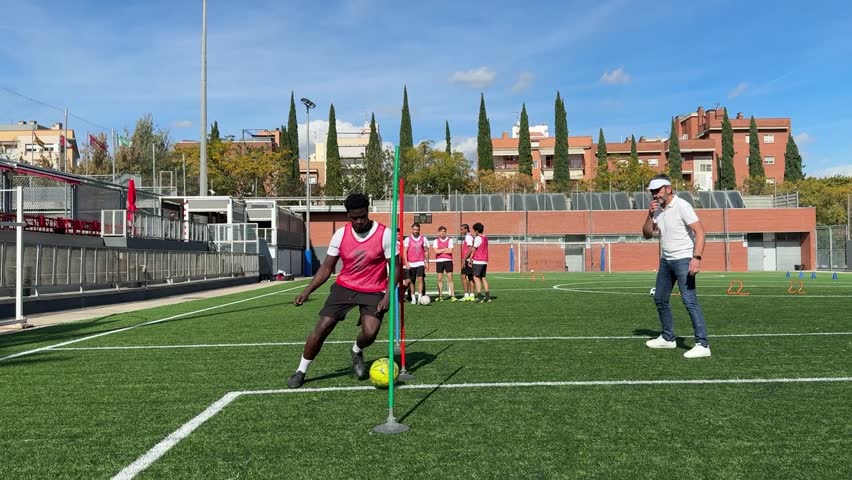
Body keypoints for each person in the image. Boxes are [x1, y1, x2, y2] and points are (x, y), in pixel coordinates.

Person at [288, 193, 400, 389]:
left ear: (368, 212)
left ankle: (356, 350)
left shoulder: (385, 234)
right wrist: (307, 291)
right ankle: (301, 370)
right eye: (354, 217)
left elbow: (396, 267)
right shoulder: (340, 234)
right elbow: (326, 268)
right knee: (322, 327)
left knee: (370, 333)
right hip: (345, 286)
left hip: (373, 289)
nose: (358, 221)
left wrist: (388, 296)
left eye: (362, 216)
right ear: (348, 215)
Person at [641, 174, 710, 358]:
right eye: (652, 192)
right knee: (660, 299)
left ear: (668, 189)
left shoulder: (682, 206)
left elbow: (700, 231)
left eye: (658, 191)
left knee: (689, 301)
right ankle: (668, 338)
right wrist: (649, 215)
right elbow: (647, 234)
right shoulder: (656, 210)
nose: (655, 195)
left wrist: (696, 258)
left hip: (683, 260)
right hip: (666, 261)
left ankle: (702, 345)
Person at [403, 222, 429, 305]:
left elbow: (426, 251)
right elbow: (405, 251)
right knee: (411, 281)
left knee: (420, 279)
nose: (416, 231)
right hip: (411, 263)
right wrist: (406, 262)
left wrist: (427, 262)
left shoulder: (423, 238)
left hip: (420, 262)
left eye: (417, 230)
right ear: (412, 230)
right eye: (414, 229)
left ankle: (420, 297)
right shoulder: (408, 239)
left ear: (419, 230)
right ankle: (413, 297)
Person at [466, 222, 491, 303]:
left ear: (476, 231)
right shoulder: (485, 238)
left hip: (478, 260)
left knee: (476, 278)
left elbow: (474, 249)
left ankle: (479, 296)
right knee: (483, 278)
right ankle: (487, 297)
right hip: (484, 261)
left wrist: (470, 258)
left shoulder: (478, 238)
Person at [432, 226, 456, 301]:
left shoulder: (450, 240)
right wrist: (446, 249)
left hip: (448, 260)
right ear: (439, 232)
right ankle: (440, 296)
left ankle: (453, 295)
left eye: (444, 231)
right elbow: (436, 251)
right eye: (441, 231)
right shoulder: (436, 241)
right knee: (439, 279)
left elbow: (450, 251)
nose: (442, 233)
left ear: (445, 232)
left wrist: (440, 250)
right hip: (439, 261)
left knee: (450, 278)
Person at [459, 224, 475, 301]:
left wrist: (464, 258)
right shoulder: (470, 236)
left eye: (462, 229)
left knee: (463, 276)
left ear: (466, 229)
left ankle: (466, 295)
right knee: (471, 277)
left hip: (467, 260)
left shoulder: (468, 237)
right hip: (470, 260)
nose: (461, 231)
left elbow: (470, 248)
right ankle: (471, 296)